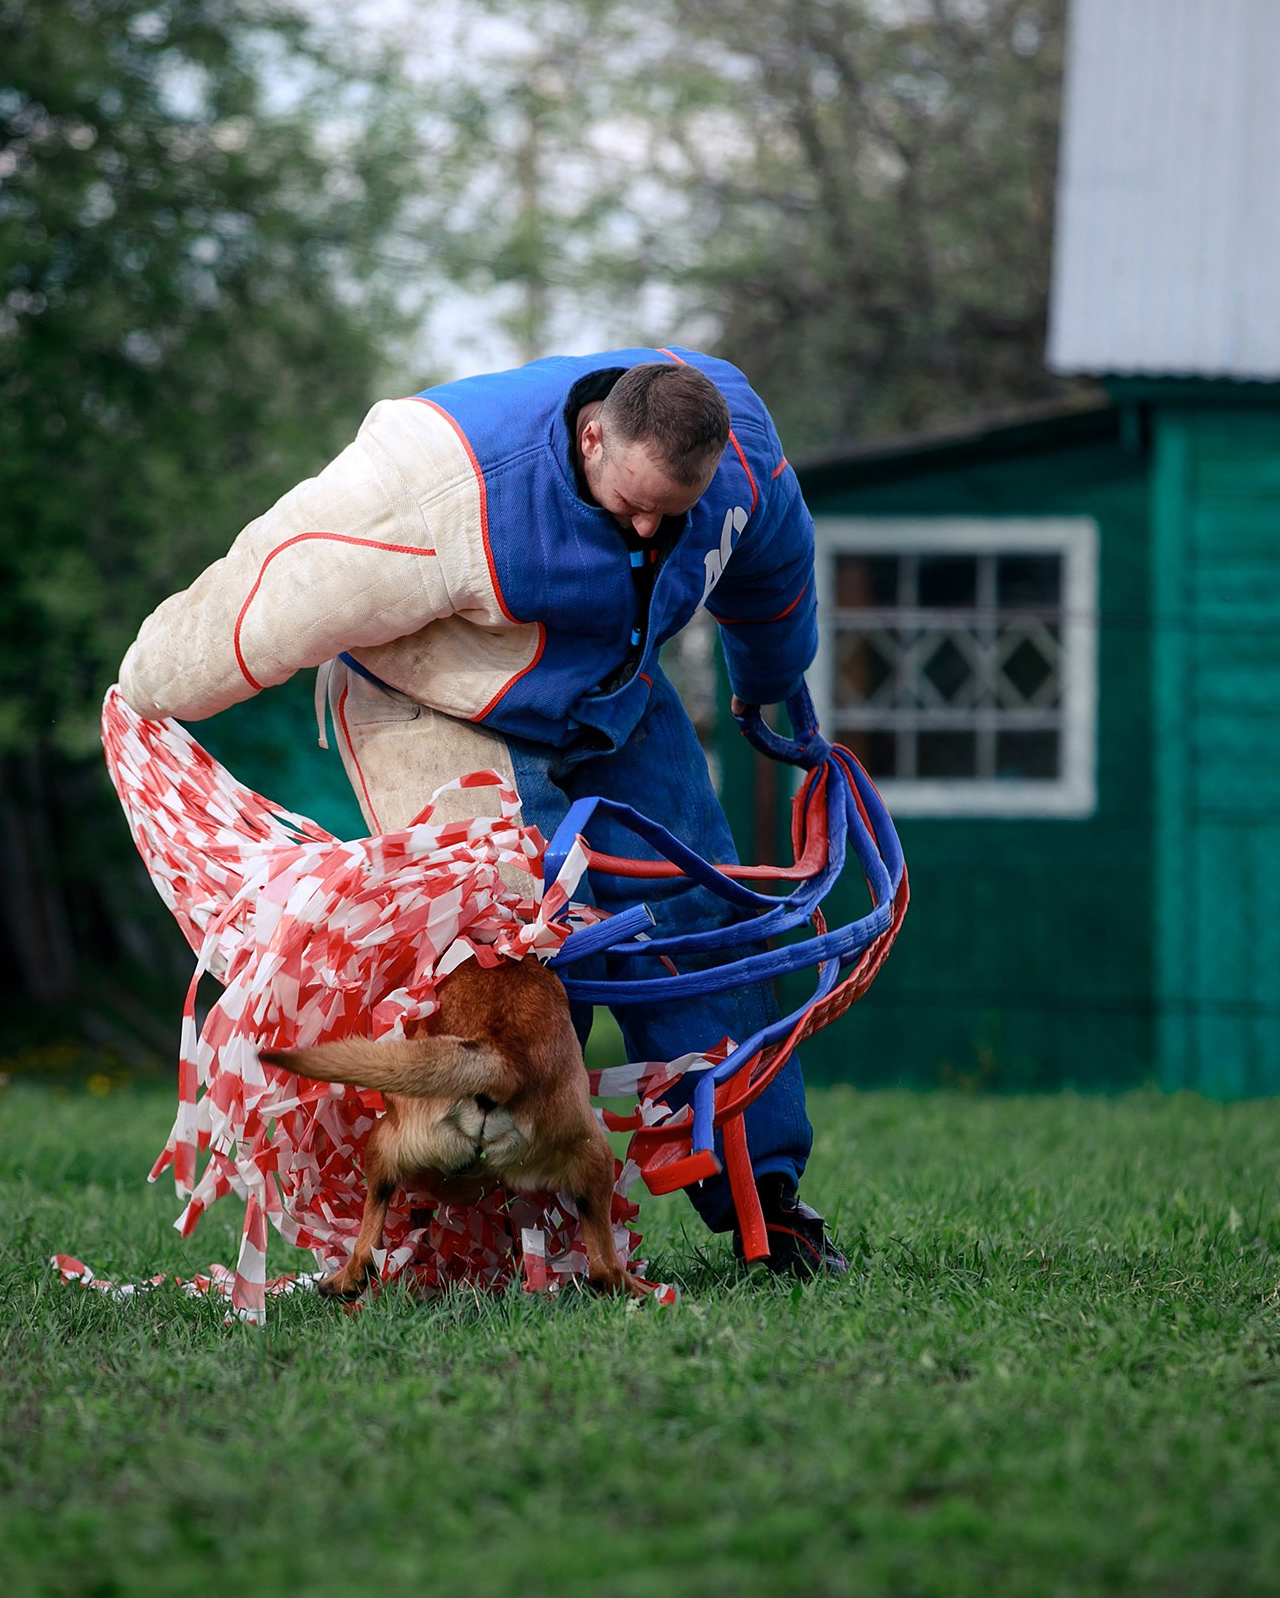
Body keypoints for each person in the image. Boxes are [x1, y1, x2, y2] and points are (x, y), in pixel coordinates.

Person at [120, 349, 844, 1276]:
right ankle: (510, 1230)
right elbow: (273, 584)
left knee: (704, 915)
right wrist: (145, 686)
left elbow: (774, 569)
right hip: (439, 698)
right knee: (513, 948)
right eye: (631, 506)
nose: (653, 526)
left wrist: (769, 688)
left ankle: (764, 1202)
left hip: (612, 690)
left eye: (676, 511)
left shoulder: (738, 448)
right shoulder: (436, 486)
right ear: (591, 438)